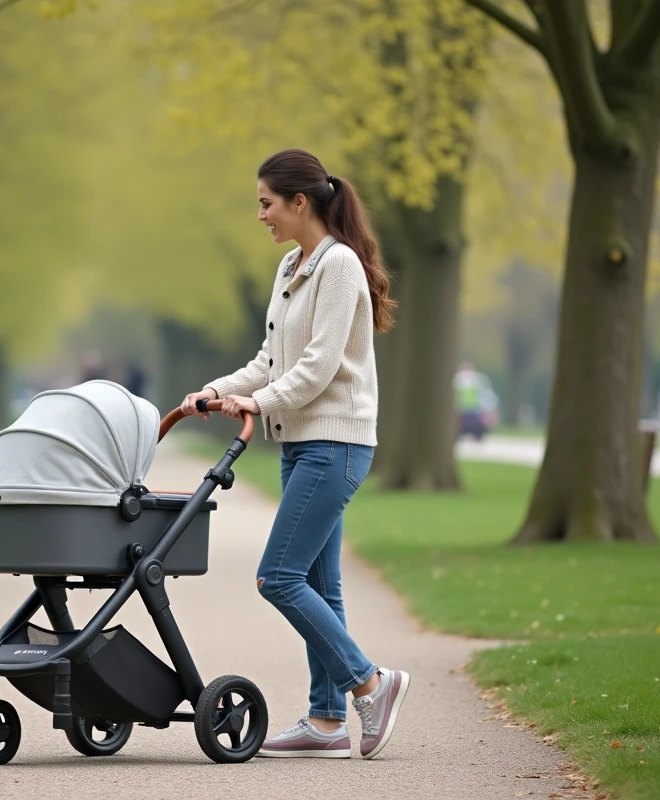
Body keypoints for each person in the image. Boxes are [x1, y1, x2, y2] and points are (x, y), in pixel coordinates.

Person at [181, 149, 409, 760]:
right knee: (317, 582)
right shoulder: (292, 265)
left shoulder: (339, 268)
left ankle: (370, 682)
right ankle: (328, 721)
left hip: (335, 443)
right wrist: (219, 391)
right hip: (303, 443)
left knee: (277, 576)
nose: (261, 215)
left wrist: (258, 404)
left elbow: (318, 367)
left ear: (299, 202)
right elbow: (272, 361)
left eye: (266, 203)